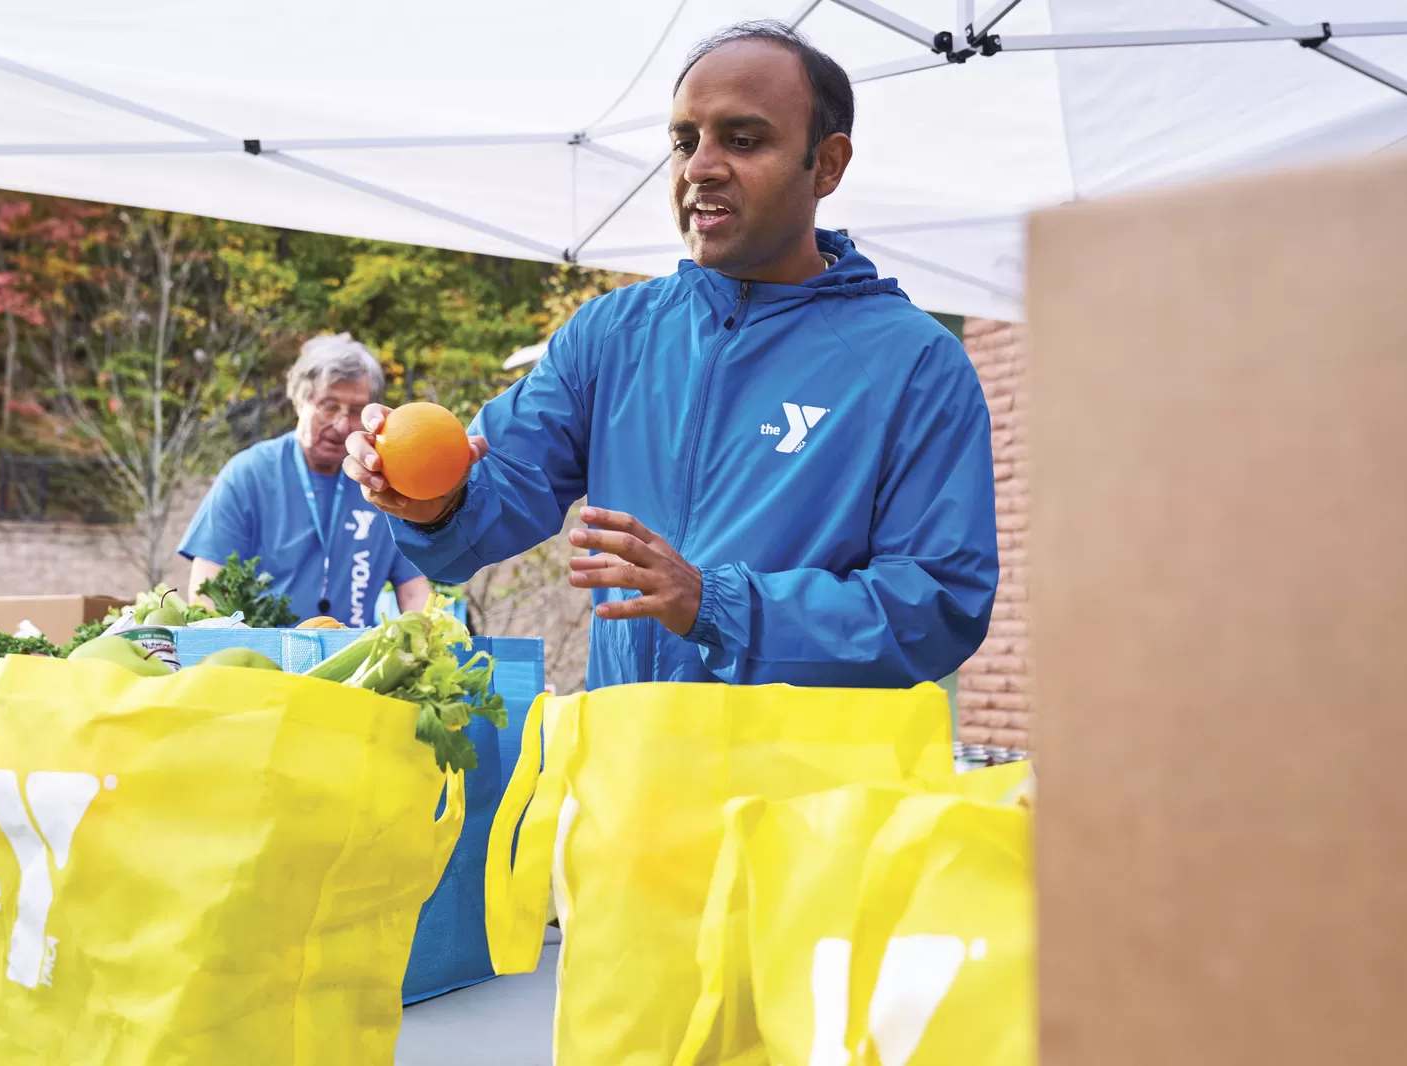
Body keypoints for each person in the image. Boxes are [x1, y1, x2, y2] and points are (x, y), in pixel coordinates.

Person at [344, 21, 998, 688]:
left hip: (810, 786)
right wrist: (435, 504)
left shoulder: (914, 363)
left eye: (742, 140)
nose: (698, 167)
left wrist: (714, 604)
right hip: (627, 771)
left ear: (825, 164)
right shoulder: (611, 334)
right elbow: (496, 492)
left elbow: (935, 607)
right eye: (684, 141)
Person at [179, 333, 430, 626]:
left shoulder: (382, 483)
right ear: (300, 400)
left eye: (356, 411)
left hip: (354, 662)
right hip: (260, 661)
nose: (341, 425)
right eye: (329, 406)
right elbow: (207, 592)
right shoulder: (248, 475)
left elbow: (415, 593)